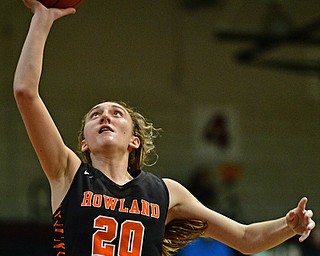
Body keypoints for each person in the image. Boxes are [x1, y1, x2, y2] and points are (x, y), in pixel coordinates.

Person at [14, 1, 315, 256]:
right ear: (84, 144)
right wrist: (42, 19)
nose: (105, 117)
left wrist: (288, 225)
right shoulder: (67, 173)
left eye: (116, 113)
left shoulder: (164, 192)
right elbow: (26, 92)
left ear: (134, 140)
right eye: (95, 115)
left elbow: (246, 238)